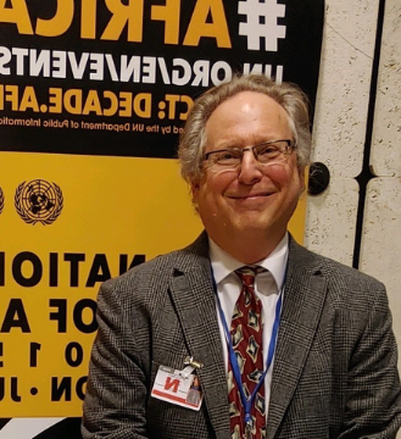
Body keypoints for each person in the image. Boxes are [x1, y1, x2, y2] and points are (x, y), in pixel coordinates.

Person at [81, 74, 401, 439]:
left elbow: (371, 433)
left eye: (269, 150)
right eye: (227, 156)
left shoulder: (359, 304)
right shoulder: (132, 302)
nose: (249, 172)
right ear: (195, 184)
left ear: (299, 172)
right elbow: (112, 432)